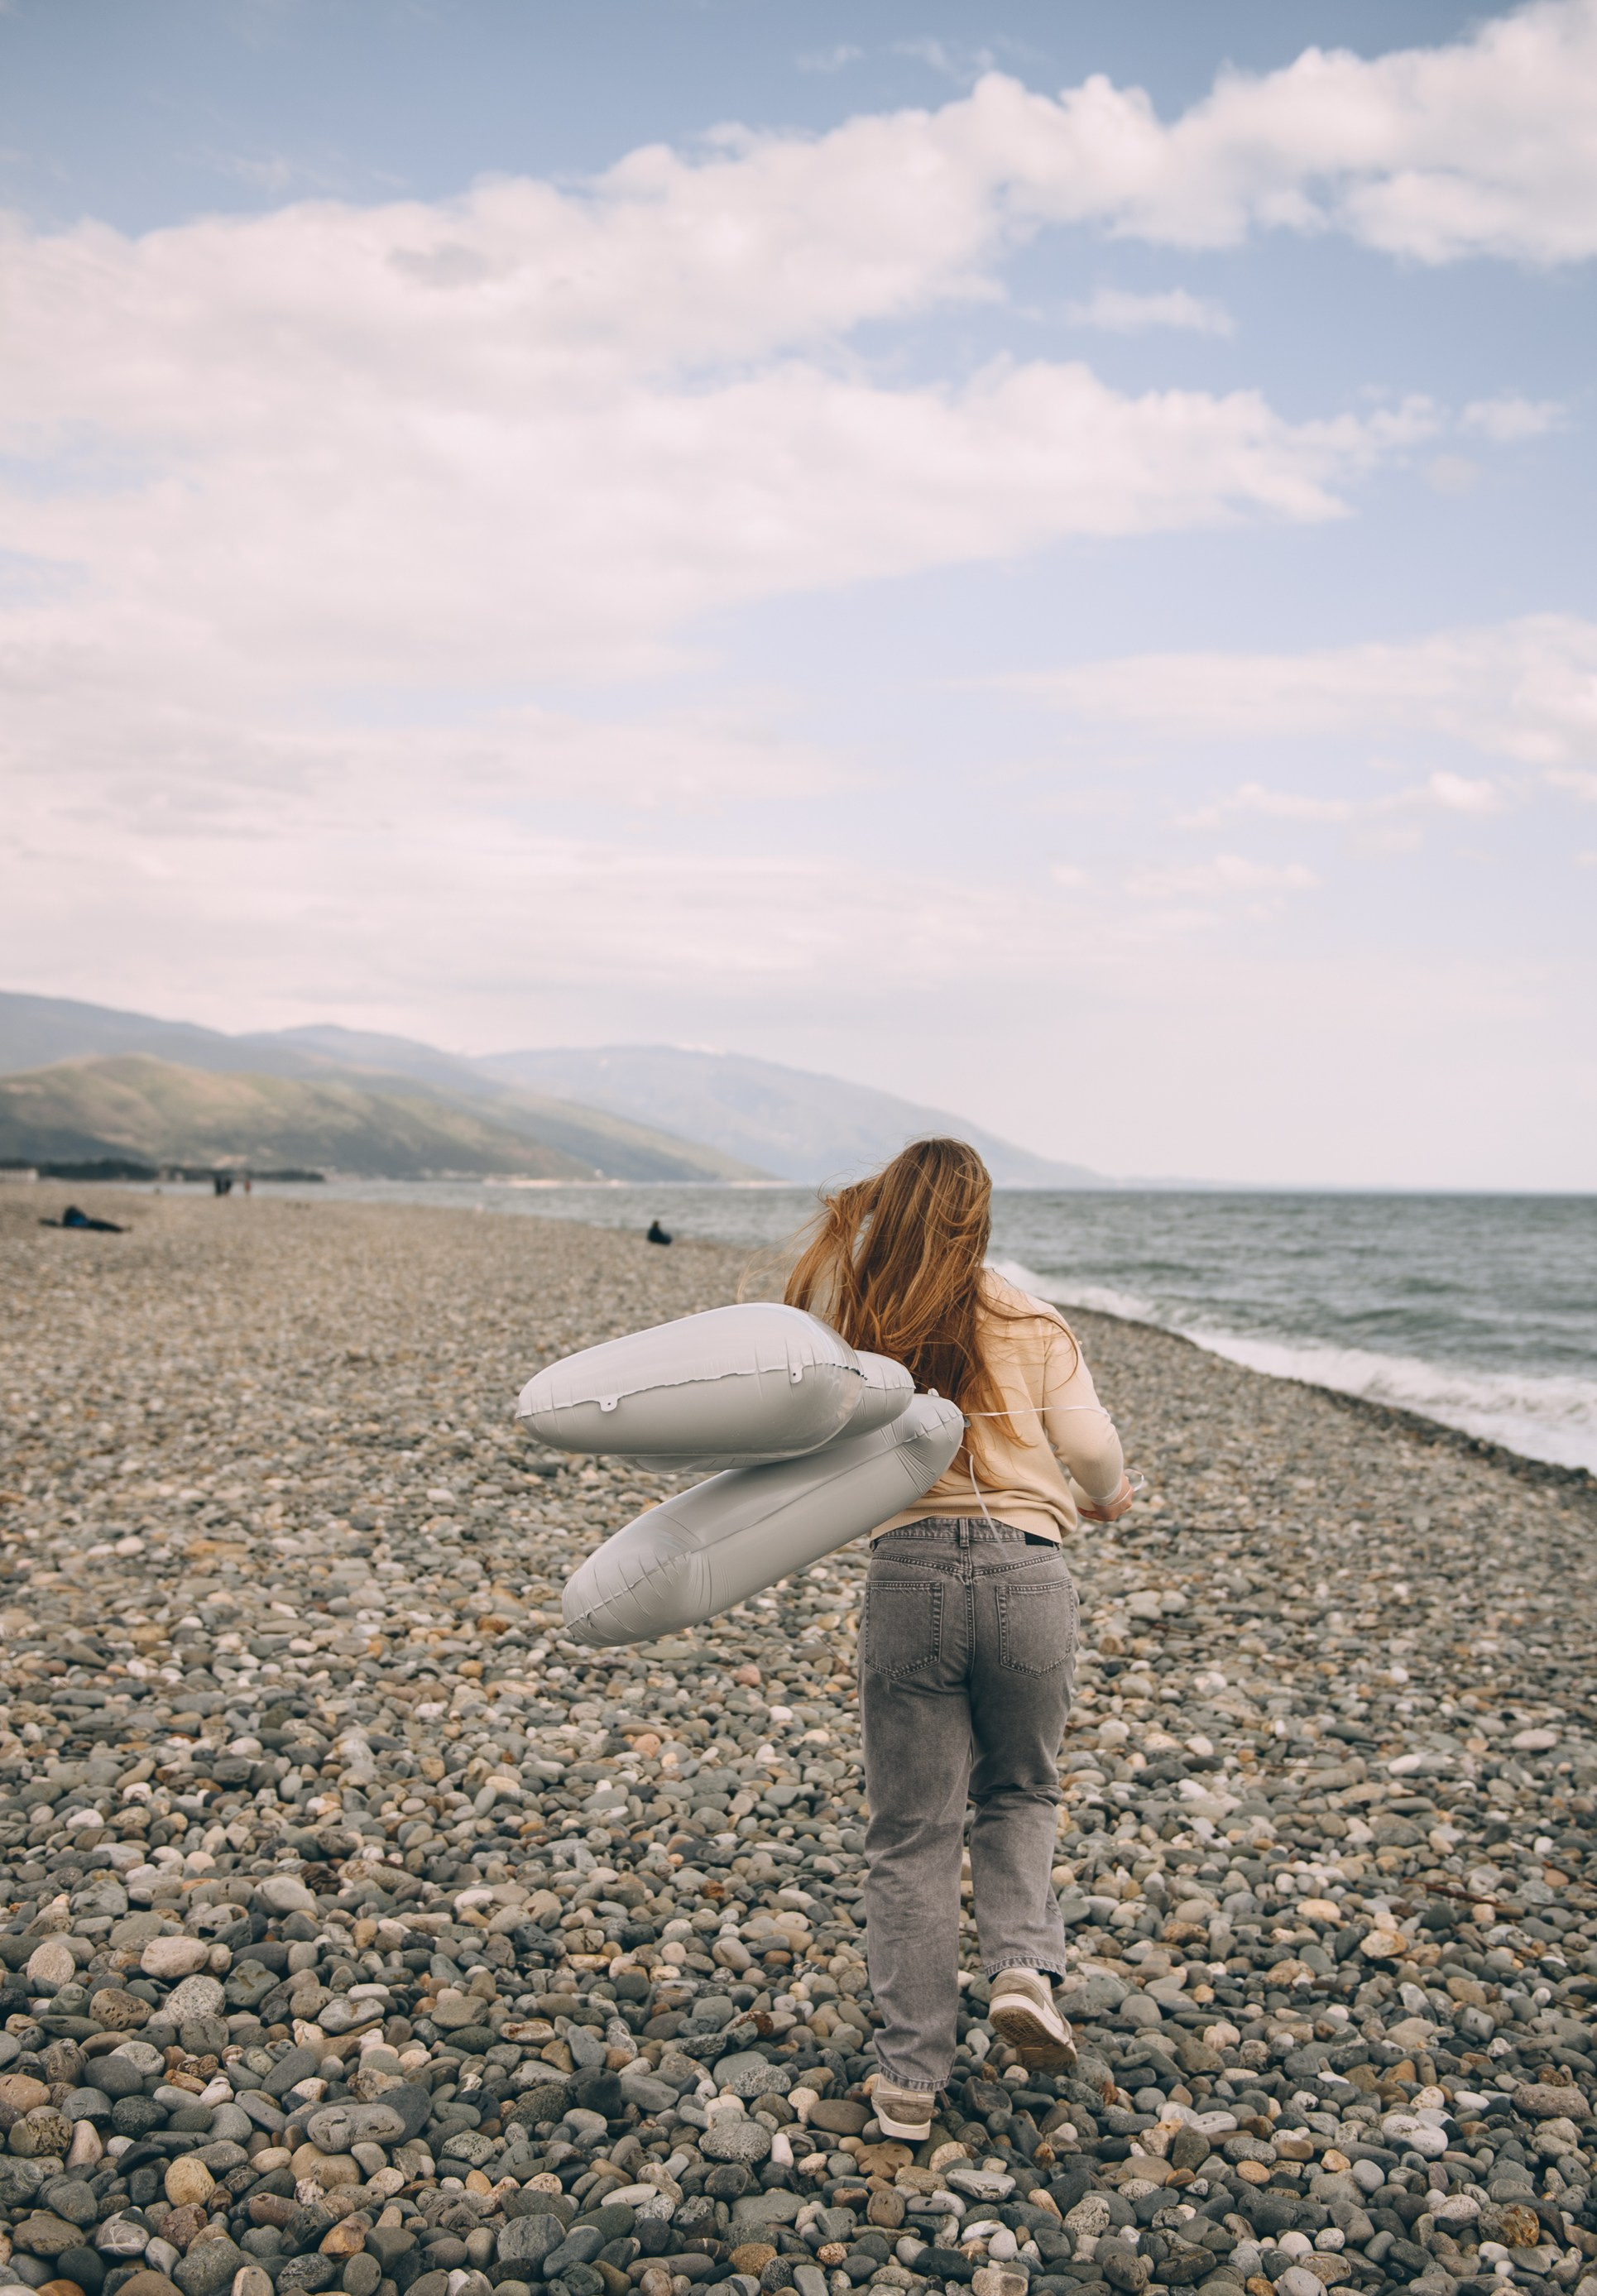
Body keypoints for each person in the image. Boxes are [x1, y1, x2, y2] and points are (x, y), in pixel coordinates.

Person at [784, 1136, 1134, 2139]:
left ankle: (905, 2085)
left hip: (909, 1576)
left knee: (911, 1832)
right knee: (1019, 1788)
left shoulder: (861, 1319)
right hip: (1028, 1570)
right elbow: (1090, 1448)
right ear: (979, 1220)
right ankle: (1021, 1970)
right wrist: (1106, 1496)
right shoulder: (1030, 1316)